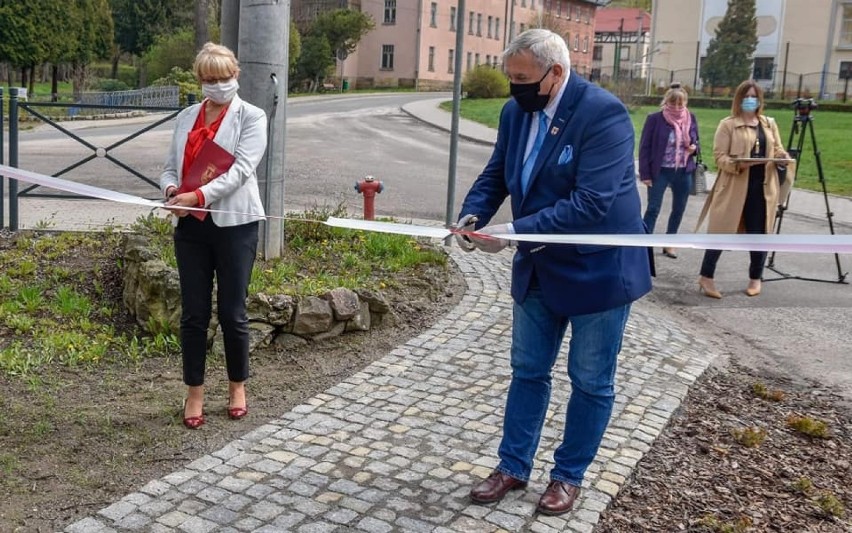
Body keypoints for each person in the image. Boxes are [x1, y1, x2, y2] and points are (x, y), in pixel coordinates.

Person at [453, 29, 652, 516]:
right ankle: (512, 465)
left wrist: (515, 231)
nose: (512, 87)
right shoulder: (514, 111)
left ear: (556, 72)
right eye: (510, 78)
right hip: (539, 267)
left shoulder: (602, 113)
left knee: (589, 379)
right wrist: (474, 215)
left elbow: (591, 203)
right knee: (527, 370)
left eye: (521, 78)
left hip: (597, 273)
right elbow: (498, 172)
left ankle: (568, 476)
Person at [160, 42, 268, 429]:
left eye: (223, 78)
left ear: (236, 74)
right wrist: (172, 191)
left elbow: (241, 171)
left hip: (234, 224)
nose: (218, 85)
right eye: (209, 79)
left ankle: (237, 386)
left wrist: (199, 195)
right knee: (193, 314)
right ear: (200, 80)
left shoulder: (252, 117)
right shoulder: (187, 116)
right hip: (190, 225)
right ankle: (195, 392)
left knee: (232, 313)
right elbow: (170, 168)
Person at [695, 80, 793, 299]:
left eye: (755, 96)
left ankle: (755, 278)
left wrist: (782, 157)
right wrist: (739, 164)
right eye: (747, 96)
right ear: (739, 99)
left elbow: (777, 148)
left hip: (762, 189)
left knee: (760, 234)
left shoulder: (768, 124)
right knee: (719, 232)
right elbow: (720, 157)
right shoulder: (728, 124)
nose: (751, 100)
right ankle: (706, 276)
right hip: (733, 189)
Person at [638, 84, 700, 259]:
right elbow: (644, 148)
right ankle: (644, 242)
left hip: (683, 171)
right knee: (653, 208)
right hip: (660, 171)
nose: (677, 108)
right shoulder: (655, 119)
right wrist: (645, 174)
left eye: (681, 104)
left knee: (679, 208)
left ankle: (670, 242)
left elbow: (697, 142)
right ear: (666, 102)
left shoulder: (690, 118)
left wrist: (694, 147)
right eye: (674, 103)